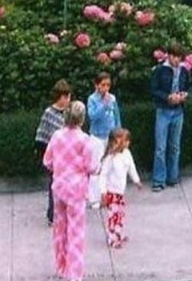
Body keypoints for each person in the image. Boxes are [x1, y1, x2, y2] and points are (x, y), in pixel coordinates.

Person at [43, 100, 99, 281]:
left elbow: (47, 161)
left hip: (59, 188)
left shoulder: (56, 136)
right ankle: (74, 274)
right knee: (76, 232)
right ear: (82, 119)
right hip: (76, 191)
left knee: (60, 230)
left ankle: (61, 266)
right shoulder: (85, 141)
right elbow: (92, 166)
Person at [150, 43, 191, 193]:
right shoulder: (160, 70)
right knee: (160, 147)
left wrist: (184, 95)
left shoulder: (184, 71)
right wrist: (167, 97)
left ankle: (172, 177)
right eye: (174, 57)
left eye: (178, 58)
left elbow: (188, 87)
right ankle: (158, 179)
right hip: (164, 111)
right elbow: (154, 90)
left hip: (178, 111)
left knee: (175, 146)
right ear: (169, 56)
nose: (176, 60)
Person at [35, 79, 73, 226]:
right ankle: (52, 214)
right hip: (55, 156)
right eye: (67, 97)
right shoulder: (49, 113)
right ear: (61, 97)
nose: (68, 100)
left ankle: (66, 212)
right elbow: (42, 134)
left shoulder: (69, 113)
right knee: (54, 185)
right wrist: (43, 154)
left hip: (68, 156)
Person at [99, 128, 141, 248]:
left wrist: (136, 180)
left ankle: (118, 234)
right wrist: (103, 192)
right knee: (114, 216)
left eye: (127, 140)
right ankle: (112, 239)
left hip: (120, 192)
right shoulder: (110, 158)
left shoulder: (127, 154)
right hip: (111, 193)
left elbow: (131, 168)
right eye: (123, 141)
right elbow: (103, 175)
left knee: (120, 215)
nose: (126, 143)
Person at [86, 71, 121, 207]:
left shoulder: (112, 98)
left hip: (110, 136)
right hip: (97, 137)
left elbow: (116, 116)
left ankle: (110, 196)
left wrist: (118, 132)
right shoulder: (92, 99)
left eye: (108, 85)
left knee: (111, 167)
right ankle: (94, 198)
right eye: (103, 85)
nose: (106, 88)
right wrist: (103, 104)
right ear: (97, 86)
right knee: (96, 168)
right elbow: (93, 116)